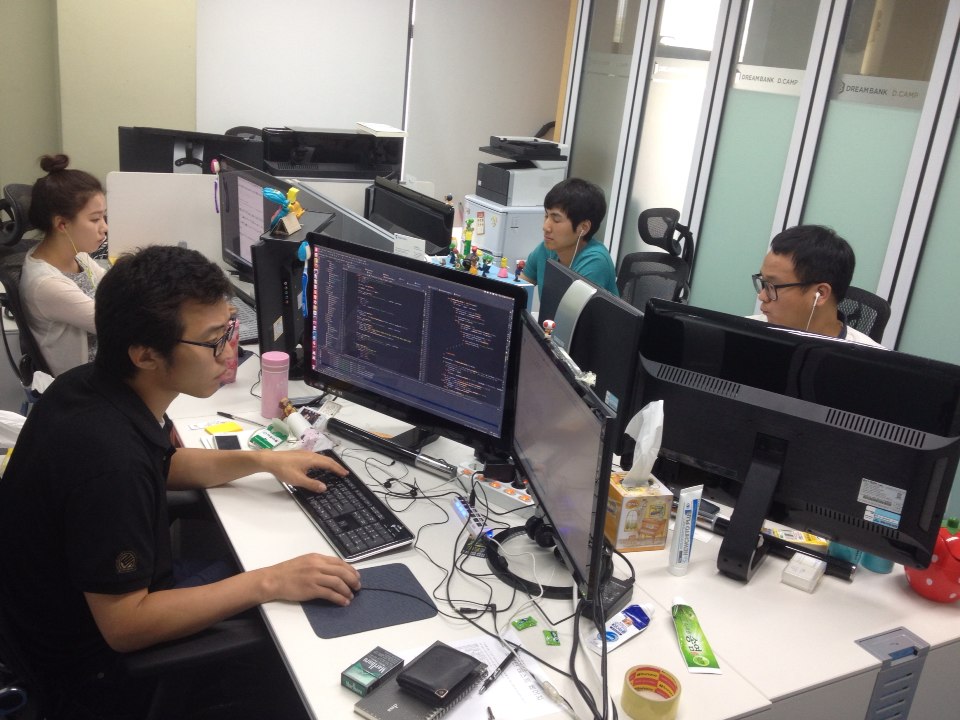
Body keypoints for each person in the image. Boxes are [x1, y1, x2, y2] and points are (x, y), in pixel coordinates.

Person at [0, 245, 361, 719]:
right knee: (302, 612)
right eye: (214, 340)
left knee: (270, 565)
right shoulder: (109, 461)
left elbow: (163, 465)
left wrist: (265, 461)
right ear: (146, 355)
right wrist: (271, 581)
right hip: (94, 671)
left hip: (65, 611)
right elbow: (125, 626)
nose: (230, 353)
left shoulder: (90, 386)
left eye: (229, 329)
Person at [21, 154, 109, 375]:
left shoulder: (78, 257)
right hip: (87, 383)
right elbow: (114, 324)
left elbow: (114, 286)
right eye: (95, 219)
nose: (104, 227)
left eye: (104, 217)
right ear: (62, 224)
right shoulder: (46, 284)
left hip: (108, 362)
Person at [749, 224, 880, 346]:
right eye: (763, 282)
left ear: (820, 294)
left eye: (772, 286)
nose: (762, 296)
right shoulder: (747, 332)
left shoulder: (869, 359)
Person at [520, 177, 619, 297]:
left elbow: (569, 309)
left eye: (556, 219)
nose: (545, 227)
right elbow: (519, 289)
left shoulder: (595, 262)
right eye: (546, 216)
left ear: (583, 228)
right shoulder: (546, 249)